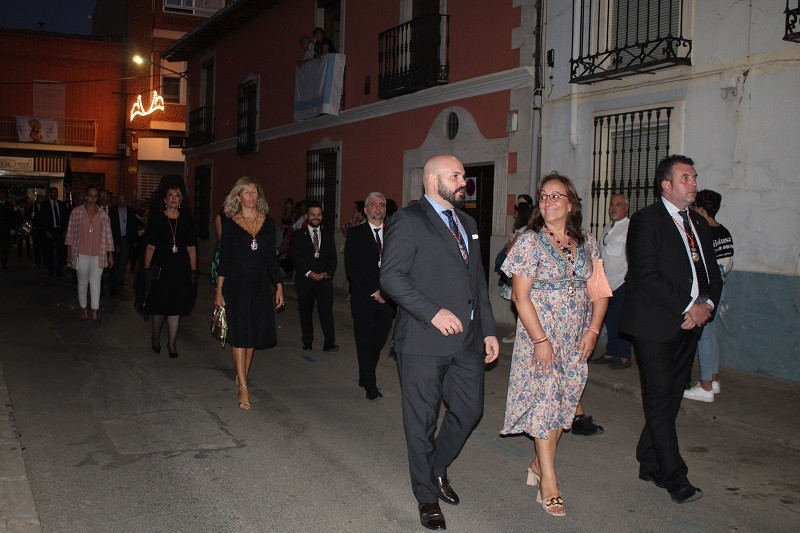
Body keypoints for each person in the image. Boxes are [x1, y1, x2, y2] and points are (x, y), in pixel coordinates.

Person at [380, 154, 499, 531]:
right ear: (433, 180)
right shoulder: (407, 220)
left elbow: (476, 280)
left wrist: (490, 329)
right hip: (422, 340)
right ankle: (426, 495)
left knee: (469, 410)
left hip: (467, 340)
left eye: (463, 175)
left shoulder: (467, 222)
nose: (463, 181)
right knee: (422, 421)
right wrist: (432, 312)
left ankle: (436, 468)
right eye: (456, 175)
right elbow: (392, 278)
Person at [500, 173, 611, 517]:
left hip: (576, 339)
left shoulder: (588, 243)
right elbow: (520, 296)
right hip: (541, 338)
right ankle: (549, 482)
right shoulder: (528, 242)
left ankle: (537, 463)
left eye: (556, 196)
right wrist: (540, 340)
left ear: (571, 204)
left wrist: (593, 331)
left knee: (565, 406)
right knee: (546, 404)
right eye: (543, 196)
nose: (548, 201)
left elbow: (600, 291)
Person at [621, 154, 722, 504]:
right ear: (666, 185)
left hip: (691, 324)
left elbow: (710, 273)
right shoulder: (646, 221)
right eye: (685, 178)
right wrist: (688, 306)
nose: (693, 183)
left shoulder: (697, 222)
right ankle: (674, 475)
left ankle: (648, 460)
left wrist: (706, 306)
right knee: (660, 397)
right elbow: (646, 274)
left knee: (669, 397)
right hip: (655, 325)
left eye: (694, 177)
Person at [214, 177, 284, 410]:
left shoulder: (268, 222)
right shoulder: (231, 225)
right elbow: (224, 260)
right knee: (239, 331)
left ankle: (242, 373)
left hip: (260, 282)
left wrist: (279, 285)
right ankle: (243, 385)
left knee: (252, 332)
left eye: (254, 192)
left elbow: (271, 258)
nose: (252, 196)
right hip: (236, 281)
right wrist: (219, 289)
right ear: (238, 197)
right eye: (246, 192)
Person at [683, 189, 734, 403]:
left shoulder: (704, 232)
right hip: (719, 286)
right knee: (711, 334)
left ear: (702, 209)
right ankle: (713, 379)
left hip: (705, 290)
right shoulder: (723, 231)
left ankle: (705, 387)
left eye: (695, 207)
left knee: (703, 335)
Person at [344, 192, 395, 400]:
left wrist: (388, 292)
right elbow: (352, 268)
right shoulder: (355, 234)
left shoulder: (393, 233)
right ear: (365, 210)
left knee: (377, 342)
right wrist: (374, 291)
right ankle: (370, 386)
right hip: (365, 298)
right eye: (373, 205)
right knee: (364, 341)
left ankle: (365, 372)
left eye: (381, 204)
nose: (378, 208)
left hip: (388, 300)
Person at [143, 185, 198, 359]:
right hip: (161, 268)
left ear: (181, 201)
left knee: (175, 307)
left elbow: (191, 248)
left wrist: (194, 270)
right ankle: (156, 336)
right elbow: (150, 246)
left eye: (177, 196)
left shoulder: (186, 220)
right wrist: (146, 269)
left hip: (180, 269)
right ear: (165, 200)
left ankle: (172, 342)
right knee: (159, 307)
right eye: (170, 195)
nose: (174, 198)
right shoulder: (158, 219)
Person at [290, 201, 338, 351]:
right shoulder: (298, 235)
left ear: (321, 216)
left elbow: (333, 258)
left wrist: (326, 273)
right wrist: (309, 273)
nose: (315, 217)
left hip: (323, 282)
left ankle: (329, 343)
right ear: (306, 216)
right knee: (305, 312)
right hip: (305, 281)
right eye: (312, 214)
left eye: (318, 215)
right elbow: (296, 257)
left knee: (326, 313)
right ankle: (307, 341)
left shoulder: (328, 236)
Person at [592, 193, 632, 369]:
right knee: (608, 319)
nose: (614, 208)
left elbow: (635, 253)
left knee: (622, 320)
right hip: (605, 281)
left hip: (621, 281)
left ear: (626, 208)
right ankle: (611, 352)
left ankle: (624, 356)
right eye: (612, 205)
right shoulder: (609, 226)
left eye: (618, 204)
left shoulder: (630, 227)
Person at [64, 185, 115, 322]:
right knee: (82, 281)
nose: (93, 198)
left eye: (95, 196)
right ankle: (83, 308)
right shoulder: (76, 212)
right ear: (86, 196)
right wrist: (69, 250)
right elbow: (70, 232)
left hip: (98, 253)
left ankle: (94, 310)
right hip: (81, 252)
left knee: (96, 281)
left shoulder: (103, 216)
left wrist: (110, 254)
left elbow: (108, 236)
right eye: (90, 195)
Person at [499, 201, 533, 343]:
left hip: (519, 272)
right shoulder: (524, 229)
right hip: (520, 271)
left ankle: (520, 333)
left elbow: (510, 250)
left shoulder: (523, 231)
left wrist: (508, 246)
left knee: (518, 301)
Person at [109, 193, 138, 294]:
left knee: (124, 259)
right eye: (119, 199)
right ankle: (113, 279)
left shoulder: (130, 211)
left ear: (126, 200)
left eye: (123, 199)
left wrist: (134, 240)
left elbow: (133, 226)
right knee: (114, 259)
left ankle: (120, 278)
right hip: (115, 238)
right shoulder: (112, 211)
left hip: (126, 238)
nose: (121, 201)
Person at [42, 187, 67, 276]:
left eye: (56, 192)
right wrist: (46, 231)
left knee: (61, 251)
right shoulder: (44, 205)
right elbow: (43, 219)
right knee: (49, 251)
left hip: (60, 231)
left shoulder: (62, 204)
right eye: (53, 192)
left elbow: (65, 218)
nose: (54, 194)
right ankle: (51, 269)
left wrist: (64, 230)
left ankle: (59, 269)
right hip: (50, 231)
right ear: (50, 194)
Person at [0, 190, 13, 268]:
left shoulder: (9, 204)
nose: (2, 195)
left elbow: (11, 217)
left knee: (5, 247)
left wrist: (12, 228)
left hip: (6, 229)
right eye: (1, 193)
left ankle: (4, 262)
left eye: (4, 194)